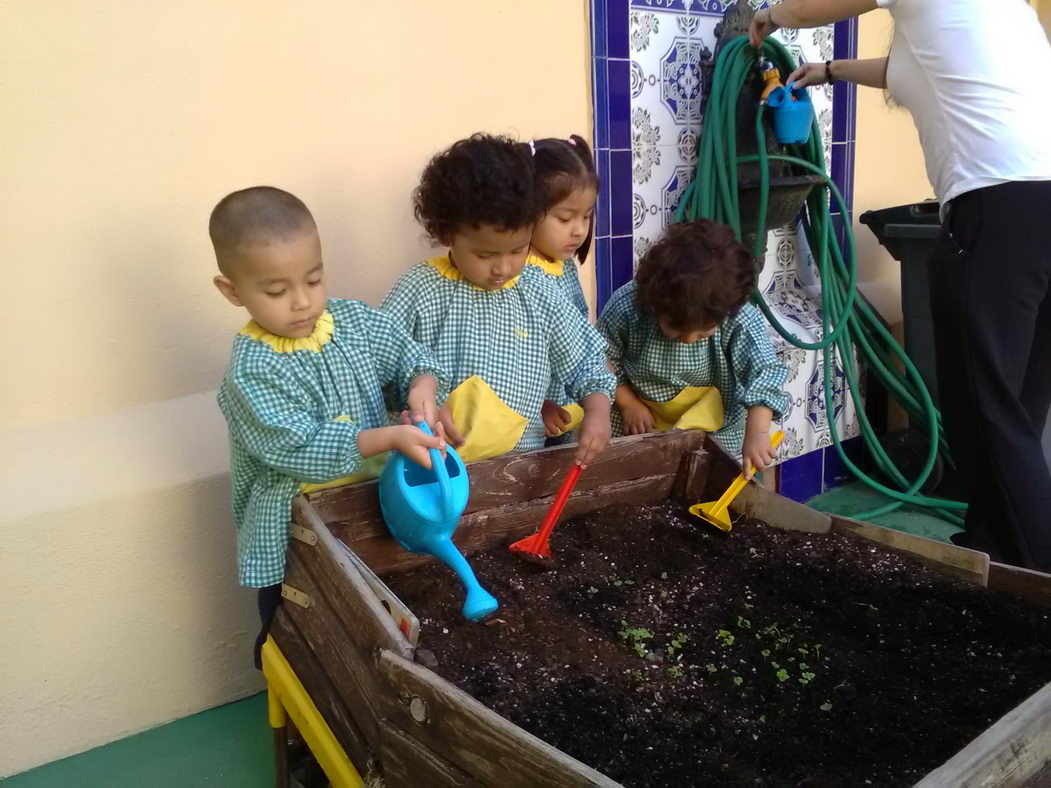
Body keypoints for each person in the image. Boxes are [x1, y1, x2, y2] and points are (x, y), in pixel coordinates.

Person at [751, 0, 1051, 571]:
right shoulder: (990, 16)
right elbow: (897, 73)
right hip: (1041, 205)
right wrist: (830, 71)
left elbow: (816, 7)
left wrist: (771, 15)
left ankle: (1035, 588)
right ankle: (990, 547)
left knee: (985, 408)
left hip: (999, 209)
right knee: (1018, 405)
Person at [210, 186, 449, 666]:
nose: (301, 302)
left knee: (364, 621)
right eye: (276, 291)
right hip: (295, 528)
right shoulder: (251, 370)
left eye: (313, 280)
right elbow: (294, 445)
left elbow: (408, 356)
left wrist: (422, 387)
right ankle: (289, 681)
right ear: (233, 291)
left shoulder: (353, 321)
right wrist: (387, 437)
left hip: (362, 506)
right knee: (297, 624)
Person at [381, 133, 615, 467]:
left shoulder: (539, 291)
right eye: (484, 254)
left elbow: (585, 362)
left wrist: (597, 409)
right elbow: (379, 367)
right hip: (432, 473)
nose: (502, 268)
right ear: (447, 232)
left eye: (518, 249)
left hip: (519, 471)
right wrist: (418, 399)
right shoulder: (419, 289)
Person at [598, 219, 789, 477]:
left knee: (711, 478)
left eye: (703, 332)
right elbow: (601, 357)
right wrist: (628, 402)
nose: (688, 339)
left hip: (714, 426)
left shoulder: (738, 319)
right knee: (618, 472)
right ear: (654, 304)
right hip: (638, 418)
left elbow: (764, 373)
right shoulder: (628, 306)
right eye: (675, 329)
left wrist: (758, 432)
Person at [526, 135, 599, 439]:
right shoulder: (518, 276)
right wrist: (537, 404)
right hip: (531, 420)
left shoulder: (563, 263)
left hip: (570, 406)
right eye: (565, 217)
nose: (579, 230)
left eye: (586, 215)